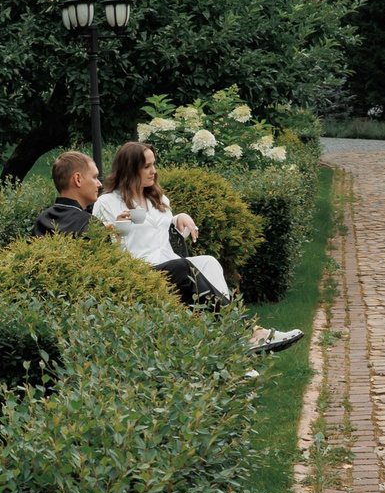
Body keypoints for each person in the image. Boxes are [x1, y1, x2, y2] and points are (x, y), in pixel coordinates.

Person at [91, 140, 302, 355]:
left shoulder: (159, 199)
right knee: (185, 268)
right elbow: (101, 244)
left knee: (208, 262)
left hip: (168, 263)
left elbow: (158, 230)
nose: (153, 171)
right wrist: (116, 227)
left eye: (154, 165)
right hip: (139, 270)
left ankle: (236, 342)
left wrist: (177, 219)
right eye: (146, 166)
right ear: (129, 169)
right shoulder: (107, 203)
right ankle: (249, 333)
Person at [30, 149, 99, 235]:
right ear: (78, 179)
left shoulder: (42, 220)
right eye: (94, 177)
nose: (99, 184)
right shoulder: (90, 225)